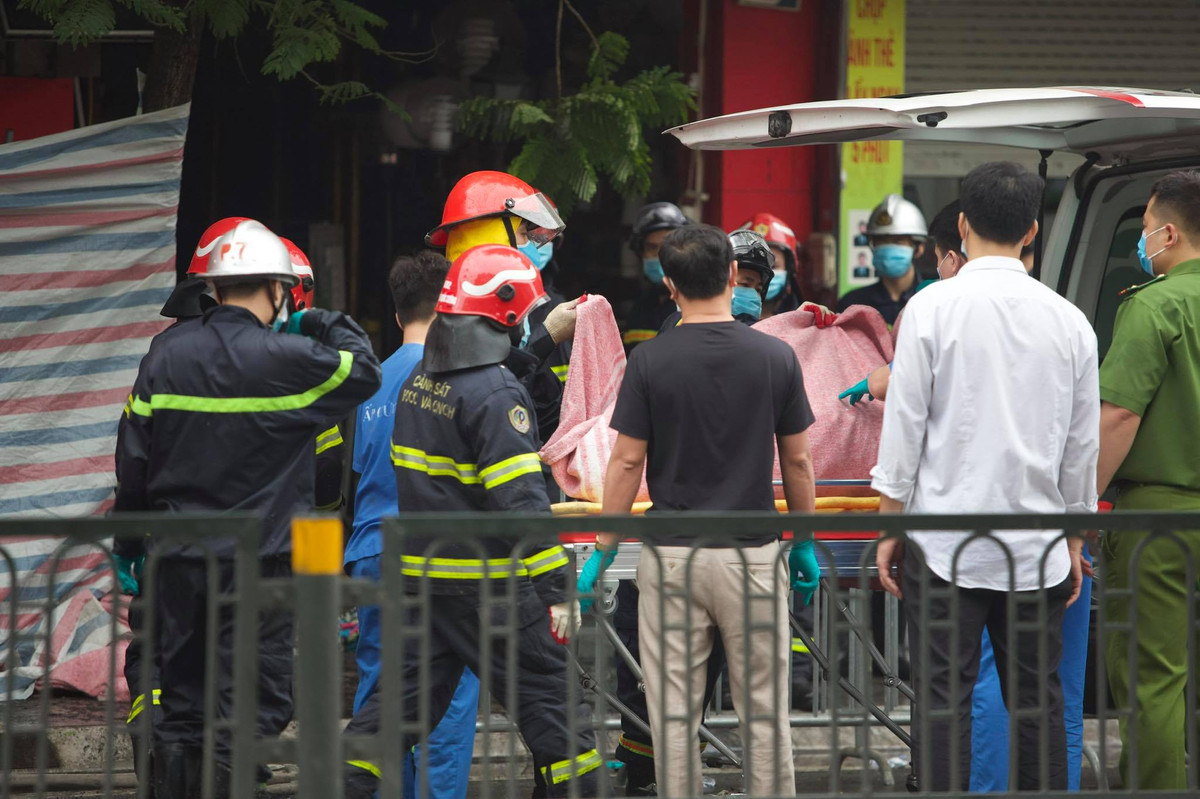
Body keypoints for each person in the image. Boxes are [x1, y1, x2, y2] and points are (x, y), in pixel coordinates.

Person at [115, 219, 381, 798]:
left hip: (178, 561)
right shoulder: (288, 358)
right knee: (253, 700)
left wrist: (129, 546)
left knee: (183, 703)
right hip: (263, 565)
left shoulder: (165, 354)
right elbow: (363, 370)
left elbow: (133, 459)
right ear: (279, 288)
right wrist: (316, 321)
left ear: (212, 288)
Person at [342, 245, 602, 799]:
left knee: (387, 720)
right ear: (504, 313)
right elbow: (521, 502)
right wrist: (558, 589)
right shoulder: (495, 393)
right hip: (492, 590)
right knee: (563, 728)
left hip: (425, 584)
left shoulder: (418, 384)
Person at [872, 162, 1097, 792]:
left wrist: (890, 526)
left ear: (963, 226)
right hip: (1039, 547)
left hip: (944, 544)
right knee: (1040, 700)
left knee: (942, 698)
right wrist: (1075, 537)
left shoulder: (930, 309)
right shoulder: (1070, 321)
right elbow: (1081, 446)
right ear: (1032, 231)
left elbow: (905, 426)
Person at [583, 224, 818, 798]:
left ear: (669, 285)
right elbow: (800, 462)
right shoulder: (776, 356)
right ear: (733, 276)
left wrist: (603, 549)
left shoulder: (650, 361)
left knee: (674, 717)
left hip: (672, 562)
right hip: (753, 560)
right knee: (765, 714)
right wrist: (805, 541)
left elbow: (625, 463)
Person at [340, 250, 480, 799]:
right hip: (443, 557)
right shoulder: (459, 377)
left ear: (397, 316)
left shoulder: (366, 383)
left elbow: (349, 476)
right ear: (453, 309)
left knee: (380, 692)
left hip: (373, 549)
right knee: (444, 696)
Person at [1095, 169, 1200, 792]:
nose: (1142, 244)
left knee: (1153, 677)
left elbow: (1119, 414)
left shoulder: (1156, 305)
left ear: (1166, 232)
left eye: (1142, 230)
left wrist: (1080, 508)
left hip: (1157, 521)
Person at [425, 171, 580, 460]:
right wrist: (548, 336)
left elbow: (539, 412)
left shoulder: (487, 303)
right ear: (494, 234)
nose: (531, 245)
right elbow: (496, 390)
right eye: (523, 234)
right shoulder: (454, 311)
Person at [836, 194, 927, 324]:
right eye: (882, 241)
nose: (888, 248)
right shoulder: (853, 305)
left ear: (919, 248)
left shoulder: (932, 300)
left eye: (898, 241)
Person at [623, 202, 691, 351]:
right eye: (652, 248)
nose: (661, 255)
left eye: (668, 247)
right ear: (640, 252)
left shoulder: (694, 304)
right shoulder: (641, 307)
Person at [738, 212, 803, 317]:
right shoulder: (721, 319)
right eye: (755, 265)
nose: (765, 274)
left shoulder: (803, 320)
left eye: (773, 266)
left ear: (790, 269)